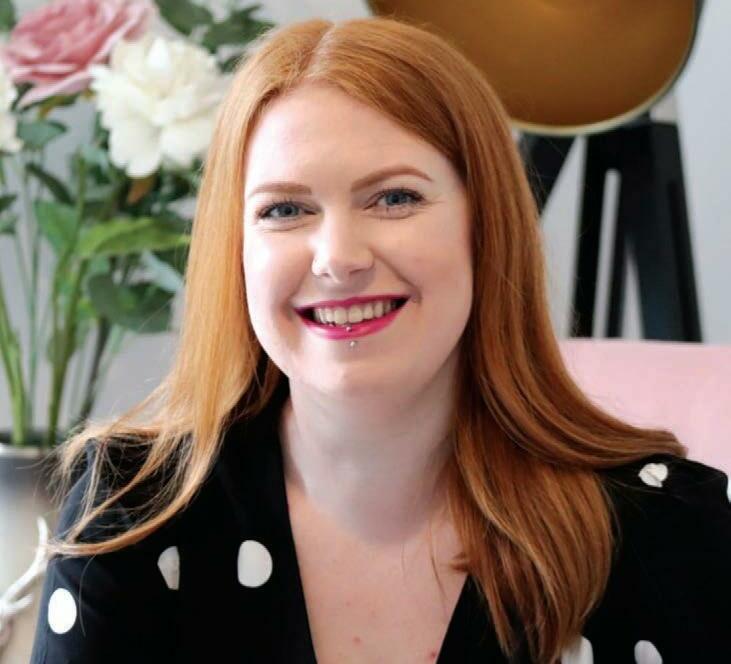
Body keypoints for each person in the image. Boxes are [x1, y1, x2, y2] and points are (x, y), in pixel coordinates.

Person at [29, 15, 730, 664]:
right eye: (285, 209)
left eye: (395, 198)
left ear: (485, 228)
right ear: (234, 250)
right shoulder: (129, 511)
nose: (338, 258)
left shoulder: (671, 531)